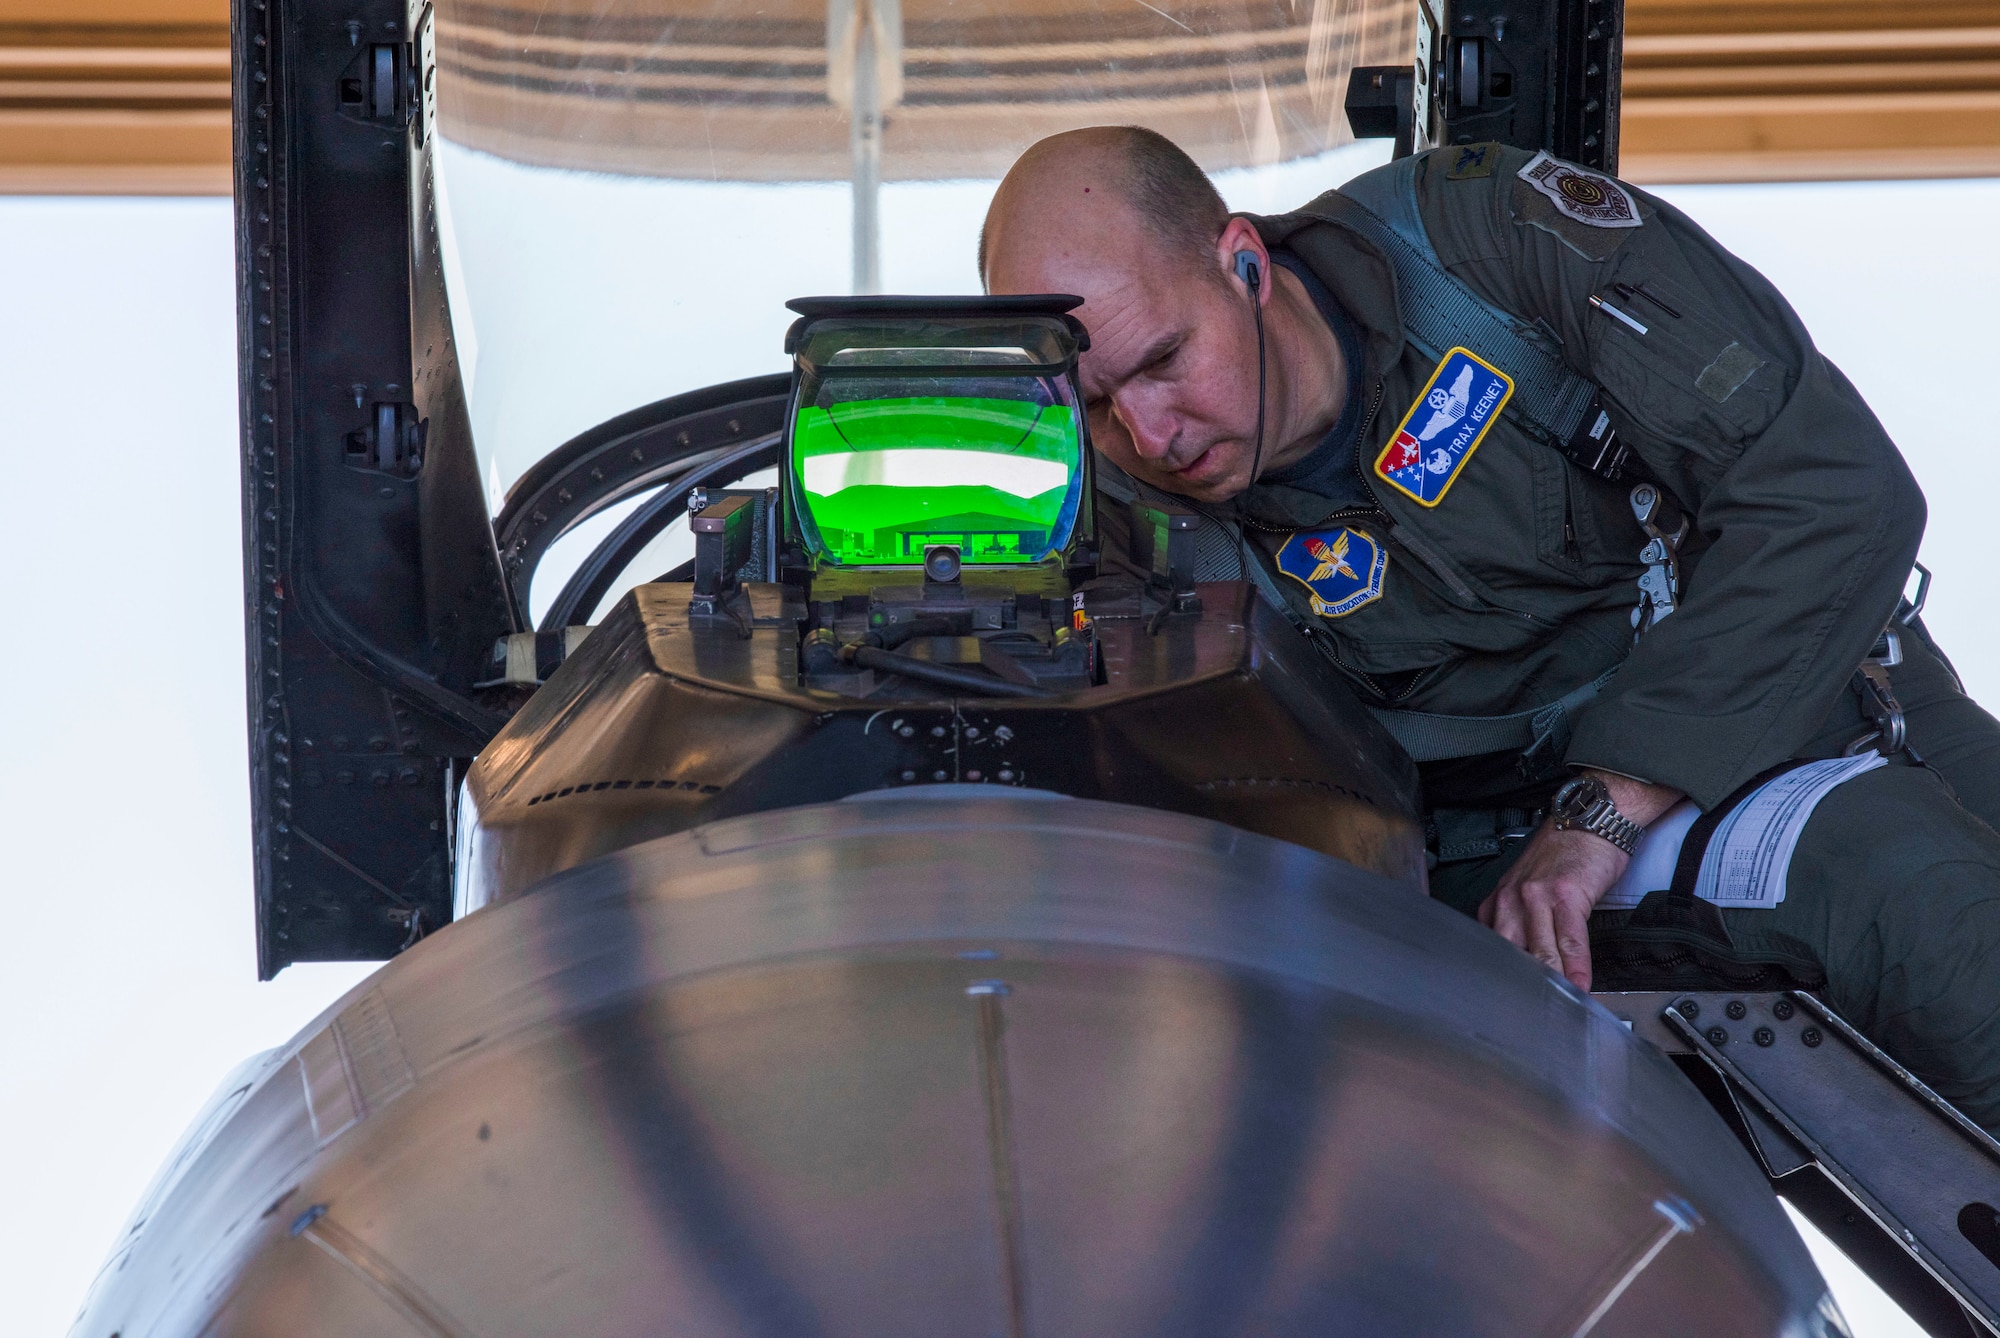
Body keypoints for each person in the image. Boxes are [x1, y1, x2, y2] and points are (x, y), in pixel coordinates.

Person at [980, 125, 2000, 1132]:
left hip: (1793, 685)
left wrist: (1600, 811)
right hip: (1507, 843)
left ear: (1240, 261)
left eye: (1163, 359)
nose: (1149, 435)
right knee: (1928, 916)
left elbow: (1827, 493)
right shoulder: (1105, 524)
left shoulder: (1492, 253)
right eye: (1096, 404)